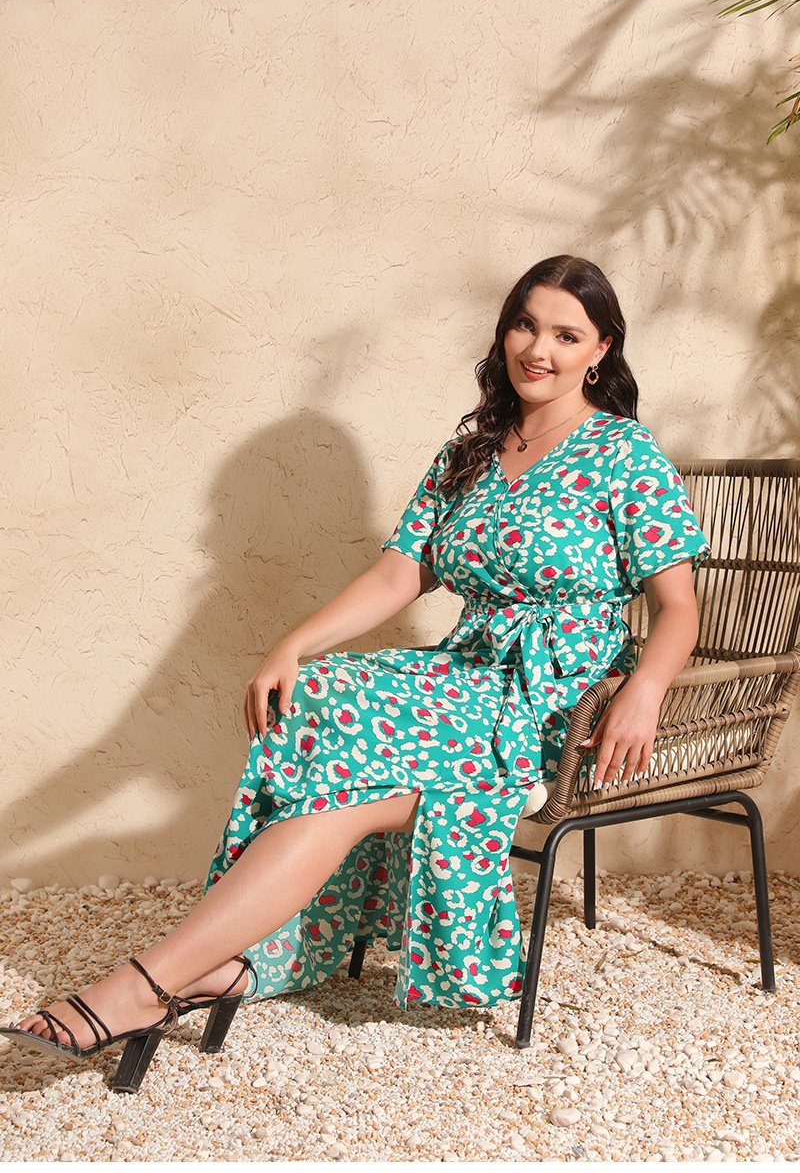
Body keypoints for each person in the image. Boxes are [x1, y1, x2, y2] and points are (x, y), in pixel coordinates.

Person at [0, 255, 709, 1092]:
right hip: (467, 674)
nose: (538, 349)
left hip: (550, 700)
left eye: (566, 334)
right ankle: (197, 971)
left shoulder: (624, 453)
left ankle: (146, 985)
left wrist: (644, 690)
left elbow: (678, 607)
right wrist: (293, 645)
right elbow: (400, 574)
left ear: (601, 350)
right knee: (318, 703)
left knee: (337, 758)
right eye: (525, 324)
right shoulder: (474, 449)